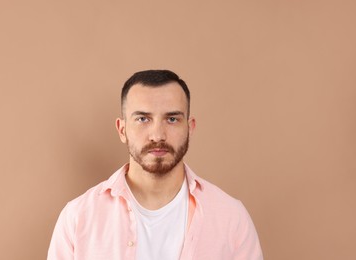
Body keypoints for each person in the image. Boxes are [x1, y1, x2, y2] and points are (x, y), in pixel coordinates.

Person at [48, 70, 263, 260]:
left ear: (190, 127)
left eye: (171, 119)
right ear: (122, 130)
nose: (157, 135)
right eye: (143, 119)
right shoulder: (78, 218)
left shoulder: (230, 217)